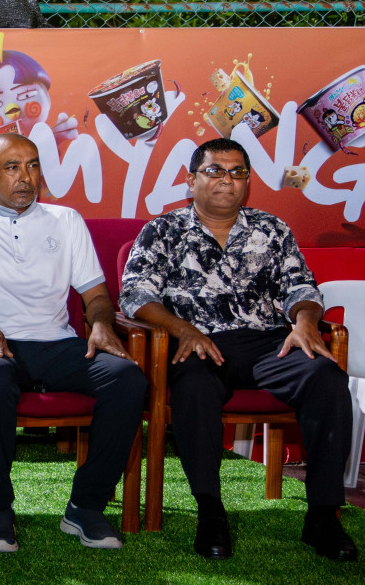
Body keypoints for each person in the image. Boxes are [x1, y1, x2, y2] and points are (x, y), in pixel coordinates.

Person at [121, 137, 356, 561]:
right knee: (194, 387)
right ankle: (211, 512)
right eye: (214, 171)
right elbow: (135, 295)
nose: (227, 180)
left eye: (237, 172)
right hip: (199, 345)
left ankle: (323, 515)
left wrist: (305, 322)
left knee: (327, 379)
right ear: (190, 180)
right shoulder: (163, 231)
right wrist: (184, 329)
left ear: (247, 182)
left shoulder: (272, 229)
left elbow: (301, 287)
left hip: (269, 344)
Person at [0, 134, 145, 553]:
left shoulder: (66, 220)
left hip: (58, 344)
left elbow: (96, 296)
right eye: (11, 167)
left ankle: (86, 505)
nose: (25, 177)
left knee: (127, 378)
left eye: (33, 165)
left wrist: (99, 324)